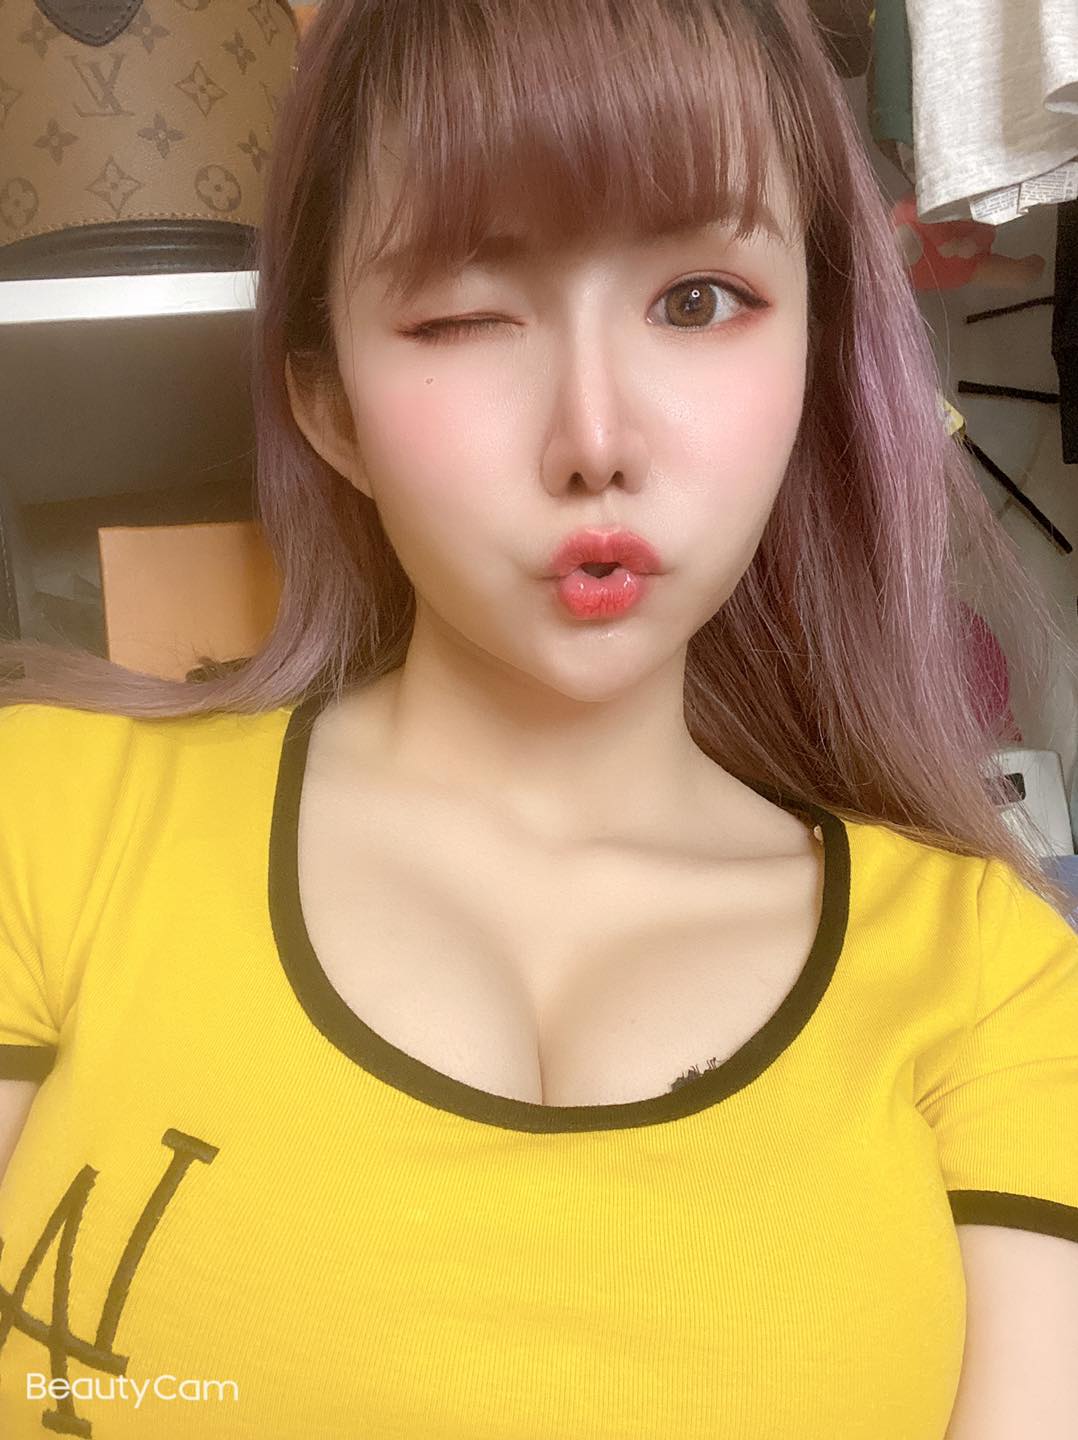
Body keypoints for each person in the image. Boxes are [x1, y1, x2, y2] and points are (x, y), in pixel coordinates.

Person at [0, 2, 1076, 1437]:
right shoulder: (44, 822)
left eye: (698, 302)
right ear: (327, 403)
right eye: (463, 315)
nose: (595, 440)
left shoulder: (994, 976)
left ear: (816, 355)